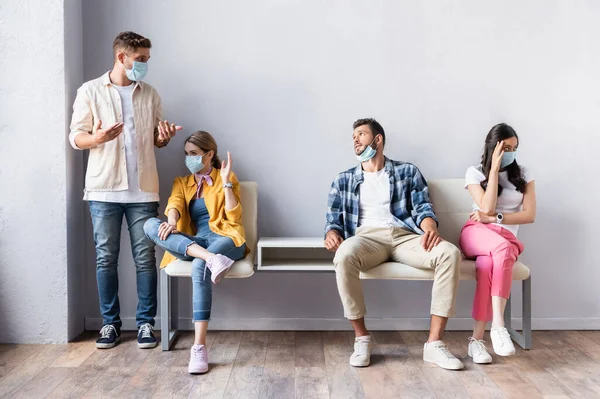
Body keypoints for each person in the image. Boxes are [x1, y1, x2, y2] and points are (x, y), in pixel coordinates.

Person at [69, 31, 182, 349]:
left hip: (143, 191)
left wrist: (164, 137)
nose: (145, 65)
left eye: (147, 59)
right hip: (103, 190)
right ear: (122, 57)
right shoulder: (90, 91)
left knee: (146, 259)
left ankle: (146, 324)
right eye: (141, 59)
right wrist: (98, 139)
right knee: (106, 259)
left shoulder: (150, 94)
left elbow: (156, 140)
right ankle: (110, 325)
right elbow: (76, 137)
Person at [324, 118, 464, 370]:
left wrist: (429, 225)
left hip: (405, 236)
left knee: (450, 253)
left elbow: (422, 207)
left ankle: (434, 344)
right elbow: (333, 220)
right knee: (344, 255)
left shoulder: (407, 171)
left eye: (361, 134)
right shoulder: (342, 180)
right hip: (366, 238)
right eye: (353, 136)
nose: (355, 140)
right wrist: (332, 232)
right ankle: (361, 339)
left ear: (377, 140)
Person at [144, 131, 248, 374]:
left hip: (227, 237)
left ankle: (199, 347)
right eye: (186, 154)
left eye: (194, 154)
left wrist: (227, 182)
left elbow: (234, 217)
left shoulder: (226, 177)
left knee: (200, 267)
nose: (188, 159)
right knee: (149, 225)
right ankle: (210, 257)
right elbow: (175, 205)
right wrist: (170, 222)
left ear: (209, 154)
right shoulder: (182, 182)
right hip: (197, 241)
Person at [459, 123, 535, 364]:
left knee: (486, 266)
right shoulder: (474, 172)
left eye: (514, 148)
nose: (511, 153)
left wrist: (496, 218)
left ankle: (477, 341)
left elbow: (529, 215)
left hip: (505, 238)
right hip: (476, 233)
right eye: (506, 147)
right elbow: (486, 207)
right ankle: (499, 326)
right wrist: (492, 171)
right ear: (493, 147)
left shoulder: (524, 173)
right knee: (500, 250)